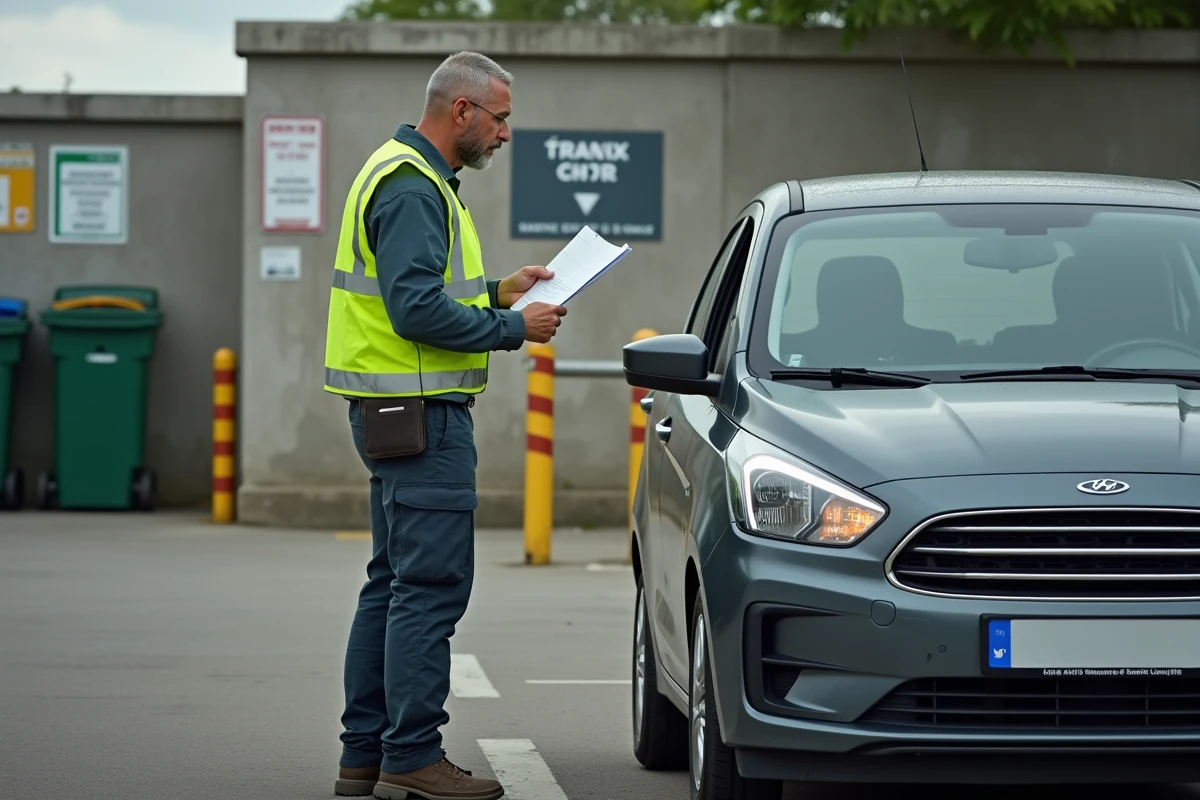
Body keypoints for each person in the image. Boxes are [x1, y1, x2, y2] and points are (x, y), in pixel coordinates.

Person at [322, 50, 567, 800]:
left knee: (392, 585)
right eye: (499, 119)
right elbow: (416, 309)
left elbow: (426, 289)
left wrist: (499, 290)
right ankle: (411, 756)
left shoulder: (408, 175)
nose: (504, 135)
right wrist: (511, 326)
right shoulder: (411, 186)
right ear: (461, 111)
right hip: (422, 418)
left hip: (399, 414)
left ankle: (366, 755)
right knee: (427, 588)